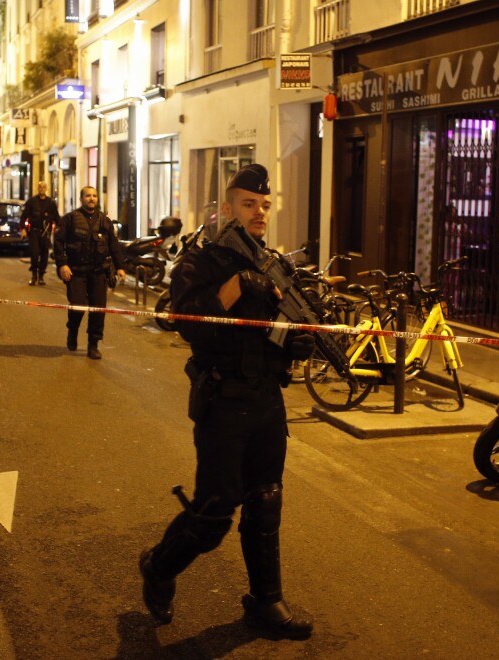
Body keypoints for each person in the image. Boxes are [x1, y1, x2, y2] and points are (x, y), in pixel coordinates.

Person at [138, 164, 315, 639]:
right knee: (215, 512)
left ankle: (266, 600)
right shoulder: (202, 262)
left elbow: (273, 332)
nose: (259, 213)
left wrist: (294, 344)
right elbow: (186, 322)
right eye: (248, 204)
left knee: (266, 501)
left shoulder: (272, 262)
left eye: (264, 204)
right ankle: (158, 566)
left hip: (266, 402)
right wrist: (236, 288)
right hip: (223, 403)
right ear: (226, 208)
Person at [53, 186, 126, 360]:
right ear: (81, 198)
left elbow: (114, 246)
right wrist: (63, 264)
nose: (91, 198)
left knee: (98, 309)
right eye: (87, 196)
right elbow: (58, 243)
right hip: (76, 272)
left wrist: (120, 267)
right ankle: (73, 330)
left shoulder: (104, 221)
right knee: (78, 305)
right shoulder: (70, 219)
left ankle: (93, 344)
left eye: (94, 195)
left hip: (99, 272)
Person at [21, 181, 60, 286]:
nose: (42, 189)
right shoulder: (32, 202)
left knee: (44, 255)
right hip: (34, 232)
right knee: (34, 254)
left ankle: (41, 275)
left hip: (45, 233)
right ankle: (34, 275)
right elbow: (24, 216)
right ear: (38, 188)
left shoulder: (51, 203)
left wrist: (59, 229)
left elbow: (56, 217)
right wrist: (23, 229)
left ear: (46, 188)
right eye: (40, 187)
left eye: (44, 187)